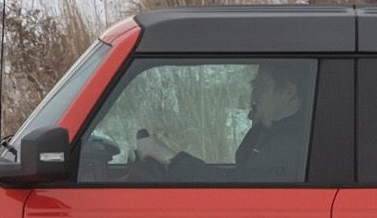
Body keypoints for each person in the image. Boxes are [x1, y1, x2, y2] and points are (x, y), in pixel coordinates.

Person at [132, 61, 311, 182]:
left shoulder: (294, 147)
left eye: (261, 88)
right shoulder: (270, 135)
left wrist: (170, 158)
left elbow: (238, 190)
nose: (253, 98)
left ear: (289, 92)